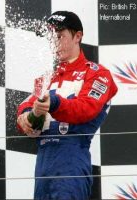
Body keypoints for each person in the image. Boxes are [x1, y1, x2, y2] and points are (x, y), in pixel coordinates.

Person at [17, 11, 118, 200]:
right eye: (51, 37)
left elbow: (86, 109)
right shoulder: (46, 78)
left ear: (77, 36)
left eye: (60, 36)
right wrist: (26, 117)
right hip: (43, 164)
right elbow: (26, 108)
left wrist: (52, 103)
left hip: (71, 161)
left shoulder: (97, 74)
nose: (55, 42)